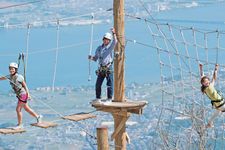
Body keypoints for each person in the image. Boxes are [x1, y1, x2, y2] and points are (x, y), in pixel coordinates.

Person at [0, 62, 42, 129]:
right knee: (26, 108)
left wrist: (28, 94)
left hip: (23, 94)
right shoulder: (9, 76)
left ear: (16, 69)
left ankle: (20, 125)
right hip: (19, 95)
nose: (11, 70)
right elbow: (1, 78)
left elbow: (25, 86)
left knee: (18, 109)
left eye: (12, 69)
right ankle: (38, 116)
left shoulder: (19, 77)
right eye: (10, 69)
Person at [88, 28, 117, 102]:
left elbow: (115, 42)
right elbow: (96, 58)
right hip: (101, 68)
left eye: (107, 39)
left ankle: (109, 99)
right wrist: (91, 58)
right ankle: (98, 98)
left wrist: (114, 33)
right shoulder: (99, 48)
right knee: (98, 84)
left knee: (109, 84)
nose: (105, 40)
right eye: (105, 39)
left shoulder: (109, 48)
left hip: (108, 67)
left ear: (109, 41)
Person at [199, 63, 225, 128]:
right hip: (221, 104)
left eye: (207, 81)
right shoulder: (209, 87)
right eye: (206, 81)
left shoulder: (205, 88)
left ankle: (210, 123)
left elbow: (203, 77)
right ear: (203, 83)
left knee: (217, 113)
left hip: (217, 105)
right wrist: (216, 68)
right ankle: (210, 123)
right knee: (217, 112)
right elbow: (214, 77)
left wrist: (201, 68)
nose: (207, 82)